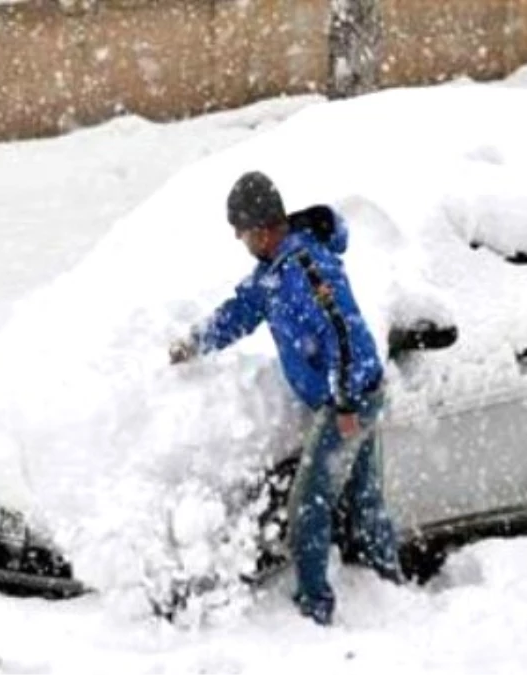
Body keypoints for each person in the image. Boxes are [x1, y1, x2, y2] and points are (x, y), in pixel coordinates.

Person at [169, 170, 402, 626]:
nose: (241, 241)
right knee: (364, 497)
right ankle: (387, 584)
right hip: (349, 395)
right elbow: (240, 311)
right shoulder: (273, 274)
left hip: (349, 399)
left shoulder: (306, 269)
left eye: (242, 233)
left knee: (308, 505)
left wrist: (349, 404)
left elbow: (344, 331)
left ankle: (316, 607)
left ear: (262, 228)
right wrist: (194, 342)